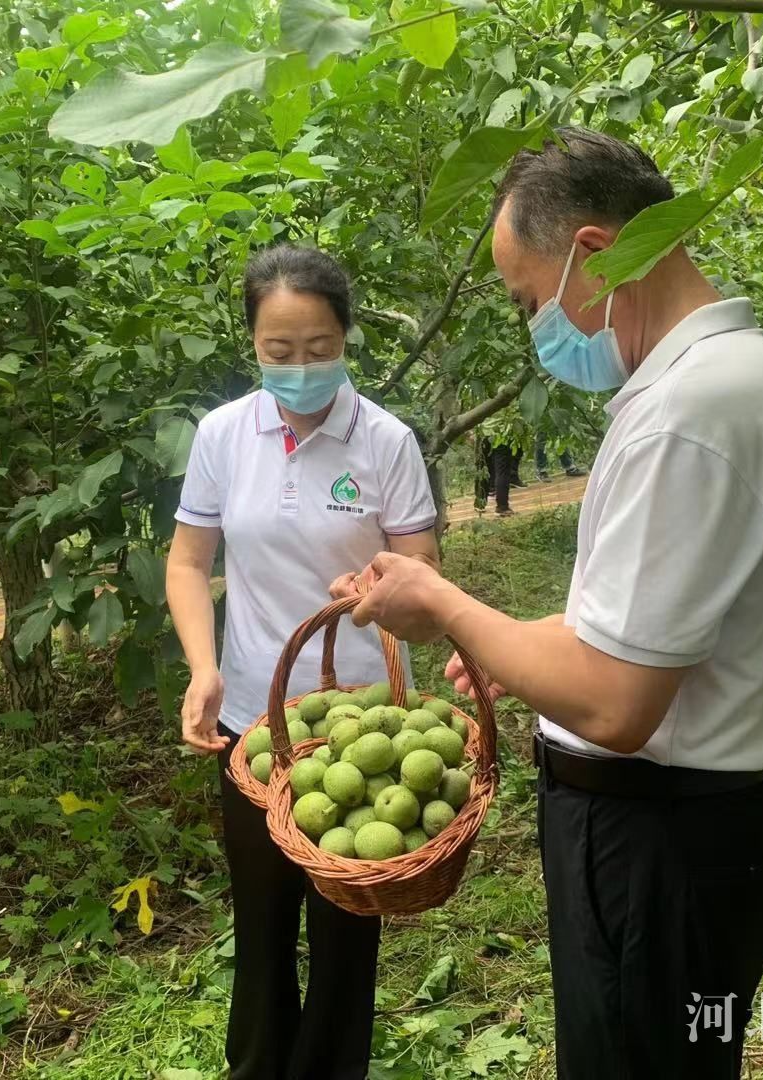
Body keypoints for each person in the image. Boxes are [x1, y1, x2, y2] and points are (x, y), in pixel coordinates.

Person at [337, 129, 763, 1078]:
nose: (537, 330)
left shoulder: (692, 414)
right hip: (694, 840)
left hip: (658, 854)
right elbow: (651, 633)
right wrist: (506, 642)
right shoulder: (726, 384)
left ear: (597, 255)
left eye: (531, 300)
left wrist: (442, 601)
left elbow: (615, 702)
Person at [165, 245, 441, 1080]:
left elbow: (422, 574)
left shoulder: (385, 440)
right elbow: (187, 563)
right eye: (279, 352)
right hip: (254, 721)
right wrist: (202, 667)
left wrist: (383, 589)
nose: (300, 367)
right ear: (252, 344)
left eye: (319, 347)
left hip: (363, 726)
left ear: (347, 336)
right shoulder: (222, 434)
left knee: (345, 929)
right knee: (261, 921)